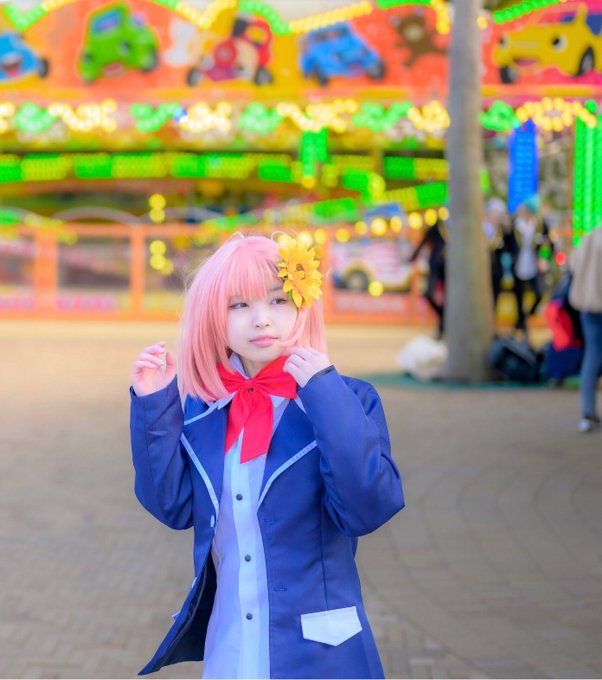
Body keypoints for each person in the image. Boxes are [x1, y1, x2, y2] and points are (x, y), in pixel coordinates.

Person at [129, 233, 405, 678]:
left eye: (278, 300)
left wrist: (325, 395)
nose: (261, 320)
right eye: (239, 305)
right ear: (212, 317)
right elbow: (172, 506)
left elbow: (368, 509)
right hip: (231, 649)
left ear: (302, 305)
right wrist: (154, 404)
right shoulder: (203, 408)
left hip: (321, 655)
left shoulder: (349, 399)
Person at [569, 227, 602, 433]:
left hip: (587, 306)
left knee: (592, 356)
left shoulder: (590, 237)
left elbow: (573, 264)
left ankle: (588, 412)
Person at [509, 195, 554, 333]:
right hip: (518, 263)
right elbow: (507, 244)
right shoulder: (514, 224)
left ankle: (529, 314)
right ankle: (521, 322)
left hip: (534, 264)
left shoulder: (540, 225)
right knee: (519, 294)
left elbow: (547, 244)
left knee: (539, 292)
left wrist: (544, 258)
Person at [409, 218, 446, 339]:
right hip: (436, 267)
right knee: (429, 294)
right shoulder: (439, 225)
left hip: (450, 270)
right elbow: (425, 240)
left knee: (449, 298)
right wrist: (414, 255)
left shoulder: (456, 226)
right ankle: (443, 319)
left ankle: (443, 325)